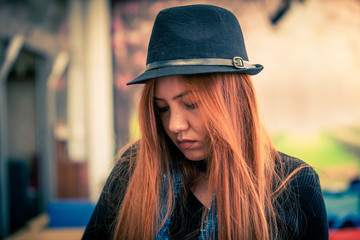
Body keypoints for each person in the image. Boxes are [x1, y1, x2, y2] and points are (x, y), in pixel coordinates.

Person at [82, 4, 328, 240]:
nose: (175, 125)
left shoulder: (295, 185)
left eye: (191, 104)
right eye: (163, 108)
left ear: (233, 100)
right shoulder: (132, 170)